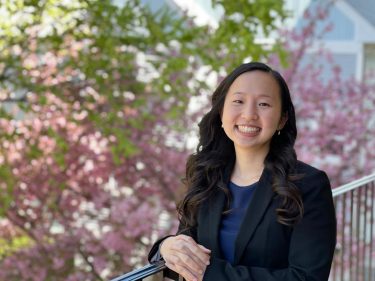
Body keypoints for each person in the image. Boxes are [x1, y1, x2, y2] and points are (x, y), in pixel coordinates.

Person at [148, 62, 337, 281]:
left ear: (282, 119)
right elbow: (187, 252)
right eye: (238, 101)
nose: (249, 115)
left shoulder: (308, 185)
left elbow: (307, 278)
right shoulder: (208, 175)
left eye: (264, 104)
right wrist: (165, 247)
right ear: (221, 111)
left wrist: (212, 274)